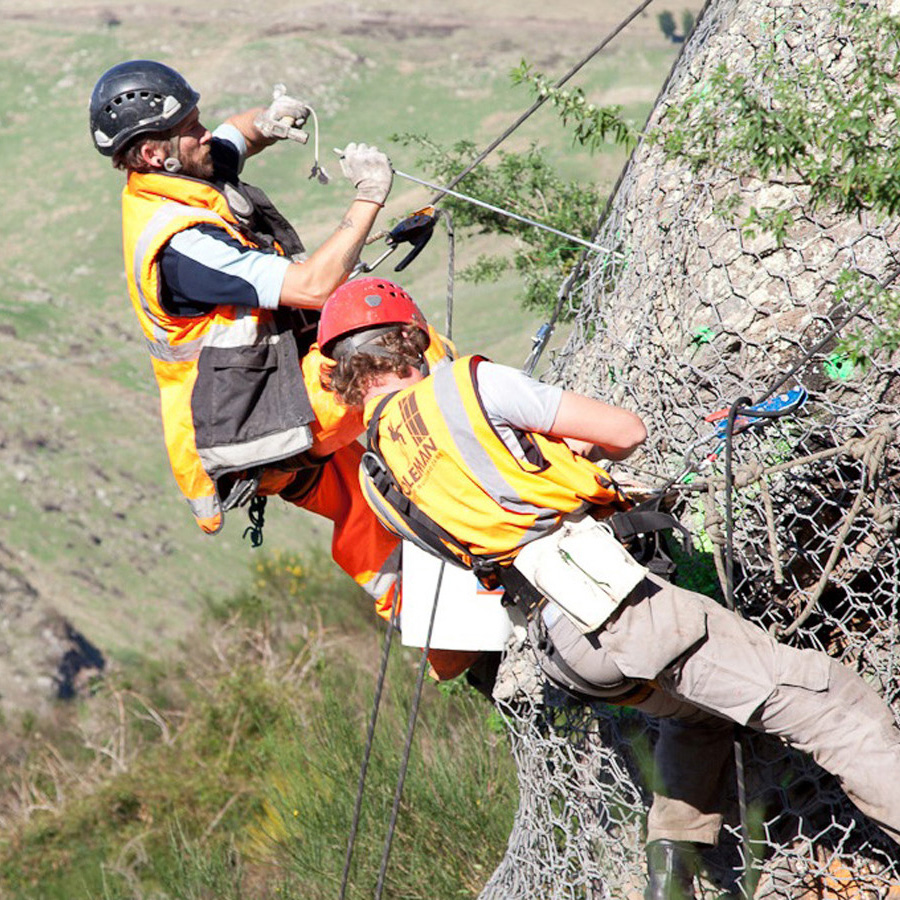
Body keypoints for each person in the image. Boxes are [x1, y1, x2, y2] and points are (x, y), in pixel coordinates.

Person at [317, 279, 900, 900]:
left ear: (344, 373)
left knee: (696, 717)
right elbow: (625, 430)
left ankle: (671, 872)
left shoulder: (375, 475)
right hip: (618, 605)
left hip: (558, 644)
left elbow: (481, 512)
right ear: (414, 337)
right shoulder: (466, 385)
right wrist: (564, 456)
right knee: (828, 704)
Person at [89, 59, 454, 619]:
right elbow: (312, 287)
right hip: (259, 421)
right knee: (403, 350)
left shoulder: (174, 178)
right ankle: (504, 434)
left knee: (365, 501)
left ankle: (443, 630)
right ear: (151, 154)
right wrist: (370, 196)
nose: (204, 132)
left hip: (256, 412)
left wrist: (265, 121)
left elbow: (228, 142)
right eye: (190, 127)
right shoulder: (182, 247)